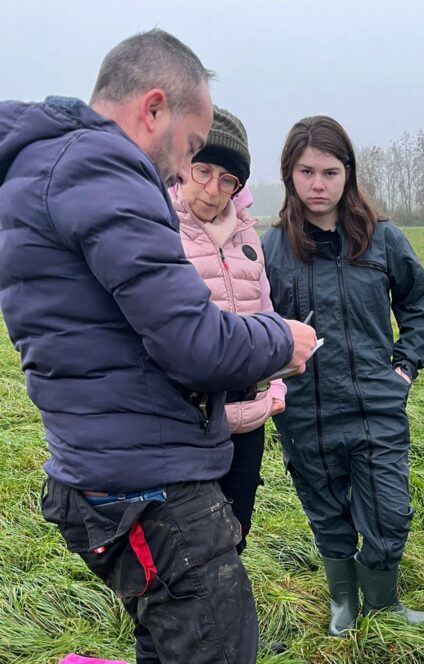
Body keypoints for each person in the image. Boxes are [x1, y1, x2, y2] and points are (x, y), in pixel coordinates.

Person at [0, 30, 316, 664]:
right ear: (152, 110)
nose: (186, 169)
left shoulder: (37, 171)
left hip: (105, 469)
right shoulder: (101, 167)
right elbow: (189, 337)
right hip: (151, 486)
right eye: (188, 141)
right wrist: (282, 338)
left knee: (168, 647)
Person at [261, 116, 424, 637]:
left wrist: (405, 367)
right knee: (326, 511)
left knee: (389, 513)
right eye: (306, 171)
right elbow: (252, 325)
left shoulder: (382, 240)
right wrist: (271, 383)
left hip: (376, 407)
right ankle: (344, 600)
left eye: (331, 172)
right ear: (290, 175)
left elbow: (419, 303)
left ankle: (383, 601)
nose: (318, 185)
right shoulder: (271, 249)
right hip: (305, 411)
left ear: (349, 175)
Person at [172, 105, 284, 554]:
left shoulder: (247, 236)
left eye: (227, 180)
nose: (213, 189)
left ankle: (226, 623)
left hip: (249, 419)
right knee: (186, 548)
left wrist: (274, 390)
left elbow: (266, 311)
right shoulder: (158, 230)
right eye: (203, 171)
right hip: (190, 424)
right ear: (183, 166)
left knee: (236, 536)